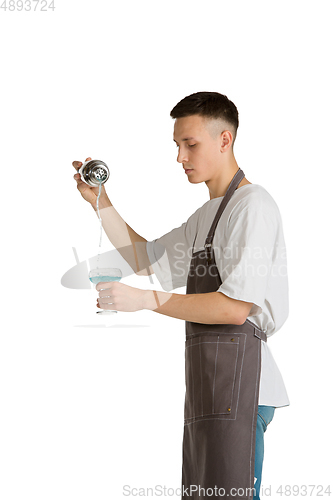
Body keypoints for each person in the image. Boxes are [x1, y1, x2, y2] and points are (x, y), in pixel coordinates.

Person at [72, 91, 290, 499]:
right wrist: (100, 202)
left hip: (242, 386)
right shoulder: (206, 217)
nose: (180, 157)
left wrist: (146, 300)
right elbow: (145, 258)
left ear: (225, 140)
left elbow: (234, 307)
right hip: (209, 386)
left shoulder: (252, 206)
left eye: (191, 144)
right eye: (177, 145)